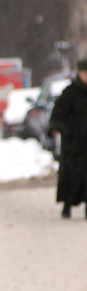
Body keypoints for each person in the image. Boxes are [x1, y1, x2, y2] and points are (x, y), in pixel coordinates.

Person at [48, 59, 87, 219]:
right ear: (79, 73)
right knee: (71, 175)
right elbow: (58, 112)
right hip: (73, 142)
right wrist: (57, 127)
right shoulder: (69, 92)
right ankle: (67, 204)